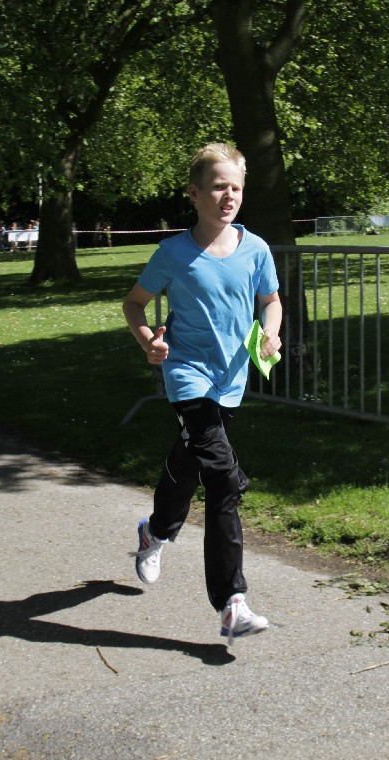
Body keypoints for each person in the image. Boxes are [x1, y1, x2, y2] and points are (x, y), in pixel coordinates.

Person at [122, 142, 282, 643]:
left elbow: (271, 300)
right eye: (217, 187)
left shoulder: (255, 249)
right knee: (223, 479)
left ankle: (156, 530)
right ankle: (232, 603)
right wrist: (149, 342)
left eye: (235, 187)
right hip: (187, 376)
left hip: (232, 379)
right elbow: (134, 303)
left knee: (190, 463)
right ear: (194, 194)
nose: (228, 196)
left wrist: (272, 330)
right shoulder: (173, 253)